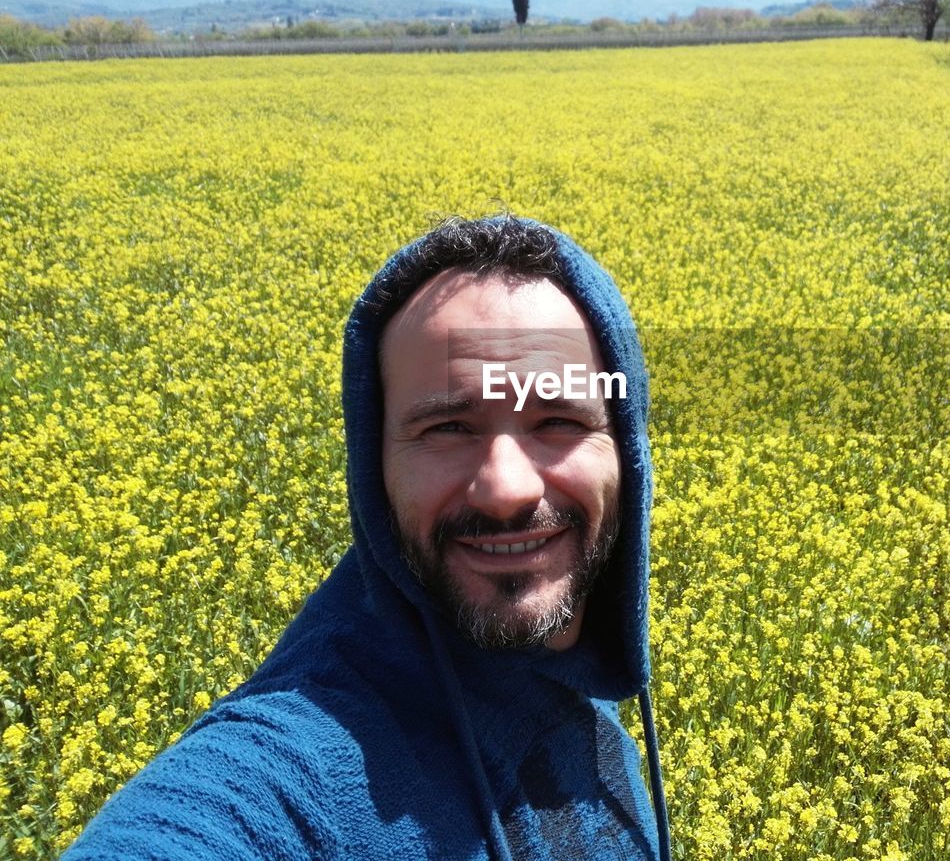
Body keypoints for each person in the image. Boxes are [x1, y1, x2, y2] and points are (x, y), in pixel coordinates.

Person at [63, 216, 672, 861]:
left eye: (557, 419)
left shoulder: (571, 686)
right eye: (447, 427)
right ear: (373, 467)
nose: (505, 488)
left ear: (627, 453)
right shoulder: (288, 774)